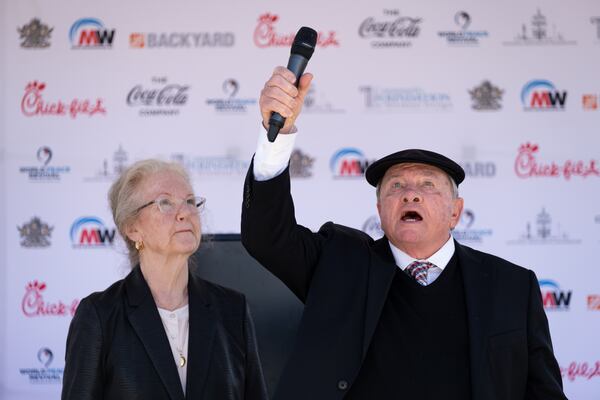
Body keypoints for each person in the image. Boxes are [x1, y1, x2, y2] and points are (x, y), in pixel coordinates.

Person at [241, 67, 567, 400]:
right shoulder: (338, 264)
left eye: (427, 185)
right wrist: (277, 134)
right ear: (381, 210)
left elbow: (542, 391)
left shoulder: (510, 286)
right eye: (396, 186)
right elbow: (267, 236)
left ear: (455, 211)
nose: (411, 194)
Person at [62, 159, 267, 400]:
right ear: (132, 228)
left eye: (190, 201)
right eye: (165, 203)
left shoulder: (233, 310)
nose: (185, 213)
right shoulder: (99, 316)